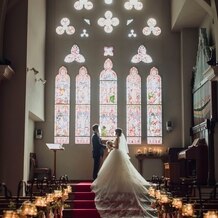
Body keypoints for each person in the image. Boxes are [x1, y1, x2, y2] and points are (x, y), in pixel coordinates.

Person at [91, 128, 157, 218]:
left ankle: (116, 183)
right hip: (117, 154)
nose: (114, 132)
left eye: (115, 132)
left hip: (116, 153)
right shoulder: (118, 138)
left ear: (117, 132)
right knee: (117, 169)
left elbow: (117, 147)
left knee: (116, 168)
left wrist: (110, 146)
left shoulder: (118, 138)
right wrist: (110, 145)